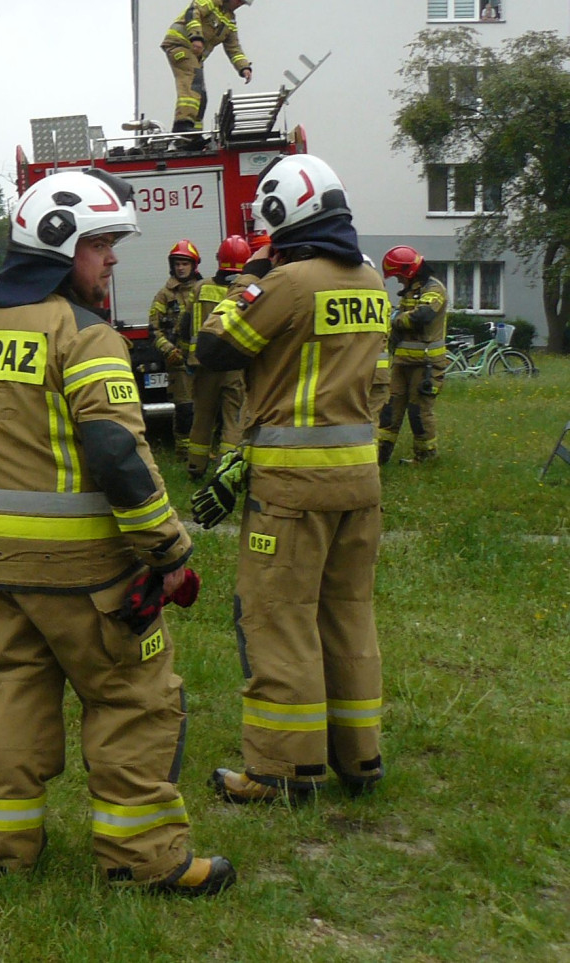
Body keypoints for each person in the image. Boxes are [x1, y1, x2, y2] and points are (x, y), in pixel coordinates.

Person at [0, 168, 234, 895]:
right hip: (91, 576)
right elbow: (117, 455)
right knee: (133, 699)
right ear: (62, 248)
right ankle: (144, 859)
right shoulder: (88, 335)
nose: (114, 260)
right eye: (102, 245)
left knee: (14, 696)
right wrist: (167, 548)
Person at [194, 153, 388, 803]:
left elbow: (214, 347)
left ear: (284, 214)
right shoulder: (369, 281)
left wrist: (251, 270)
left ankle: (280, 768)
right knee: (348, 615)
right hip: (359, 483)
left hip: (292, 488)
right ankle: (359, 757)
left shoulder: (288, 283)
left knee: (278, 618)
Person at [185, 234, 251, 480]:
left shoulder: (201, 287)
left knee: (202, 417)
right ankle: (226, 471)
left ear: (218, 258)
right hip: (235, 366)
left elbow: (186, 326)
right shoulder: (248, 292)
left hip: (204, 365)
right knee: (233, 419)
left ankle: (195, 467)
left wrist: (188, 358)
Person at [377, 245, 449, 465]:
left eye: (398, 276)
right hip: (402, 363)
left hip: (426, 364)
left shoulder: (434, 289)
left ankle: (426, 457)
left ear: (408, 272)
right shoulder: (412, 290)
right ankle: (379, 456)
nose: (398, 281)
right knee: (389, 410)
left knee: (418, 412)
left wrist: (393, 320)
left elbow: (422, 316)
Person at [161, 0, 256, 146]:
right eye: (238, 0)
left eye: (242, 3)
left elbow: (233, 47)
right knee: (191, 83)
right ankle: (182, 126)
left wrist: (244, 67)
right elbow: (193, 13)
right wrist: (196, 37)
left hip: (194, 55)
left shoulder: (229, 19)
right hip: (180, 44)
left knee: (201, 96)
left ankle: (192, 137)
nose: (238, 4)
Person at [148, 239, 204, 459]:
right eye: (177, 263)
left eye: (185, 263)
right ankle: (183, 453)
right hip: (179, 363)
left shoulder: (203, 290)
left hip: (203, 361)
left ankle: (202, 451)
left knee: (204, 410)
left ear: (193, 265)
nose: (181, 267)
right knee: (184, 410)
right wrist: (170, 351)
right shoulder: (165, 295)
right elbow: (154, 330)